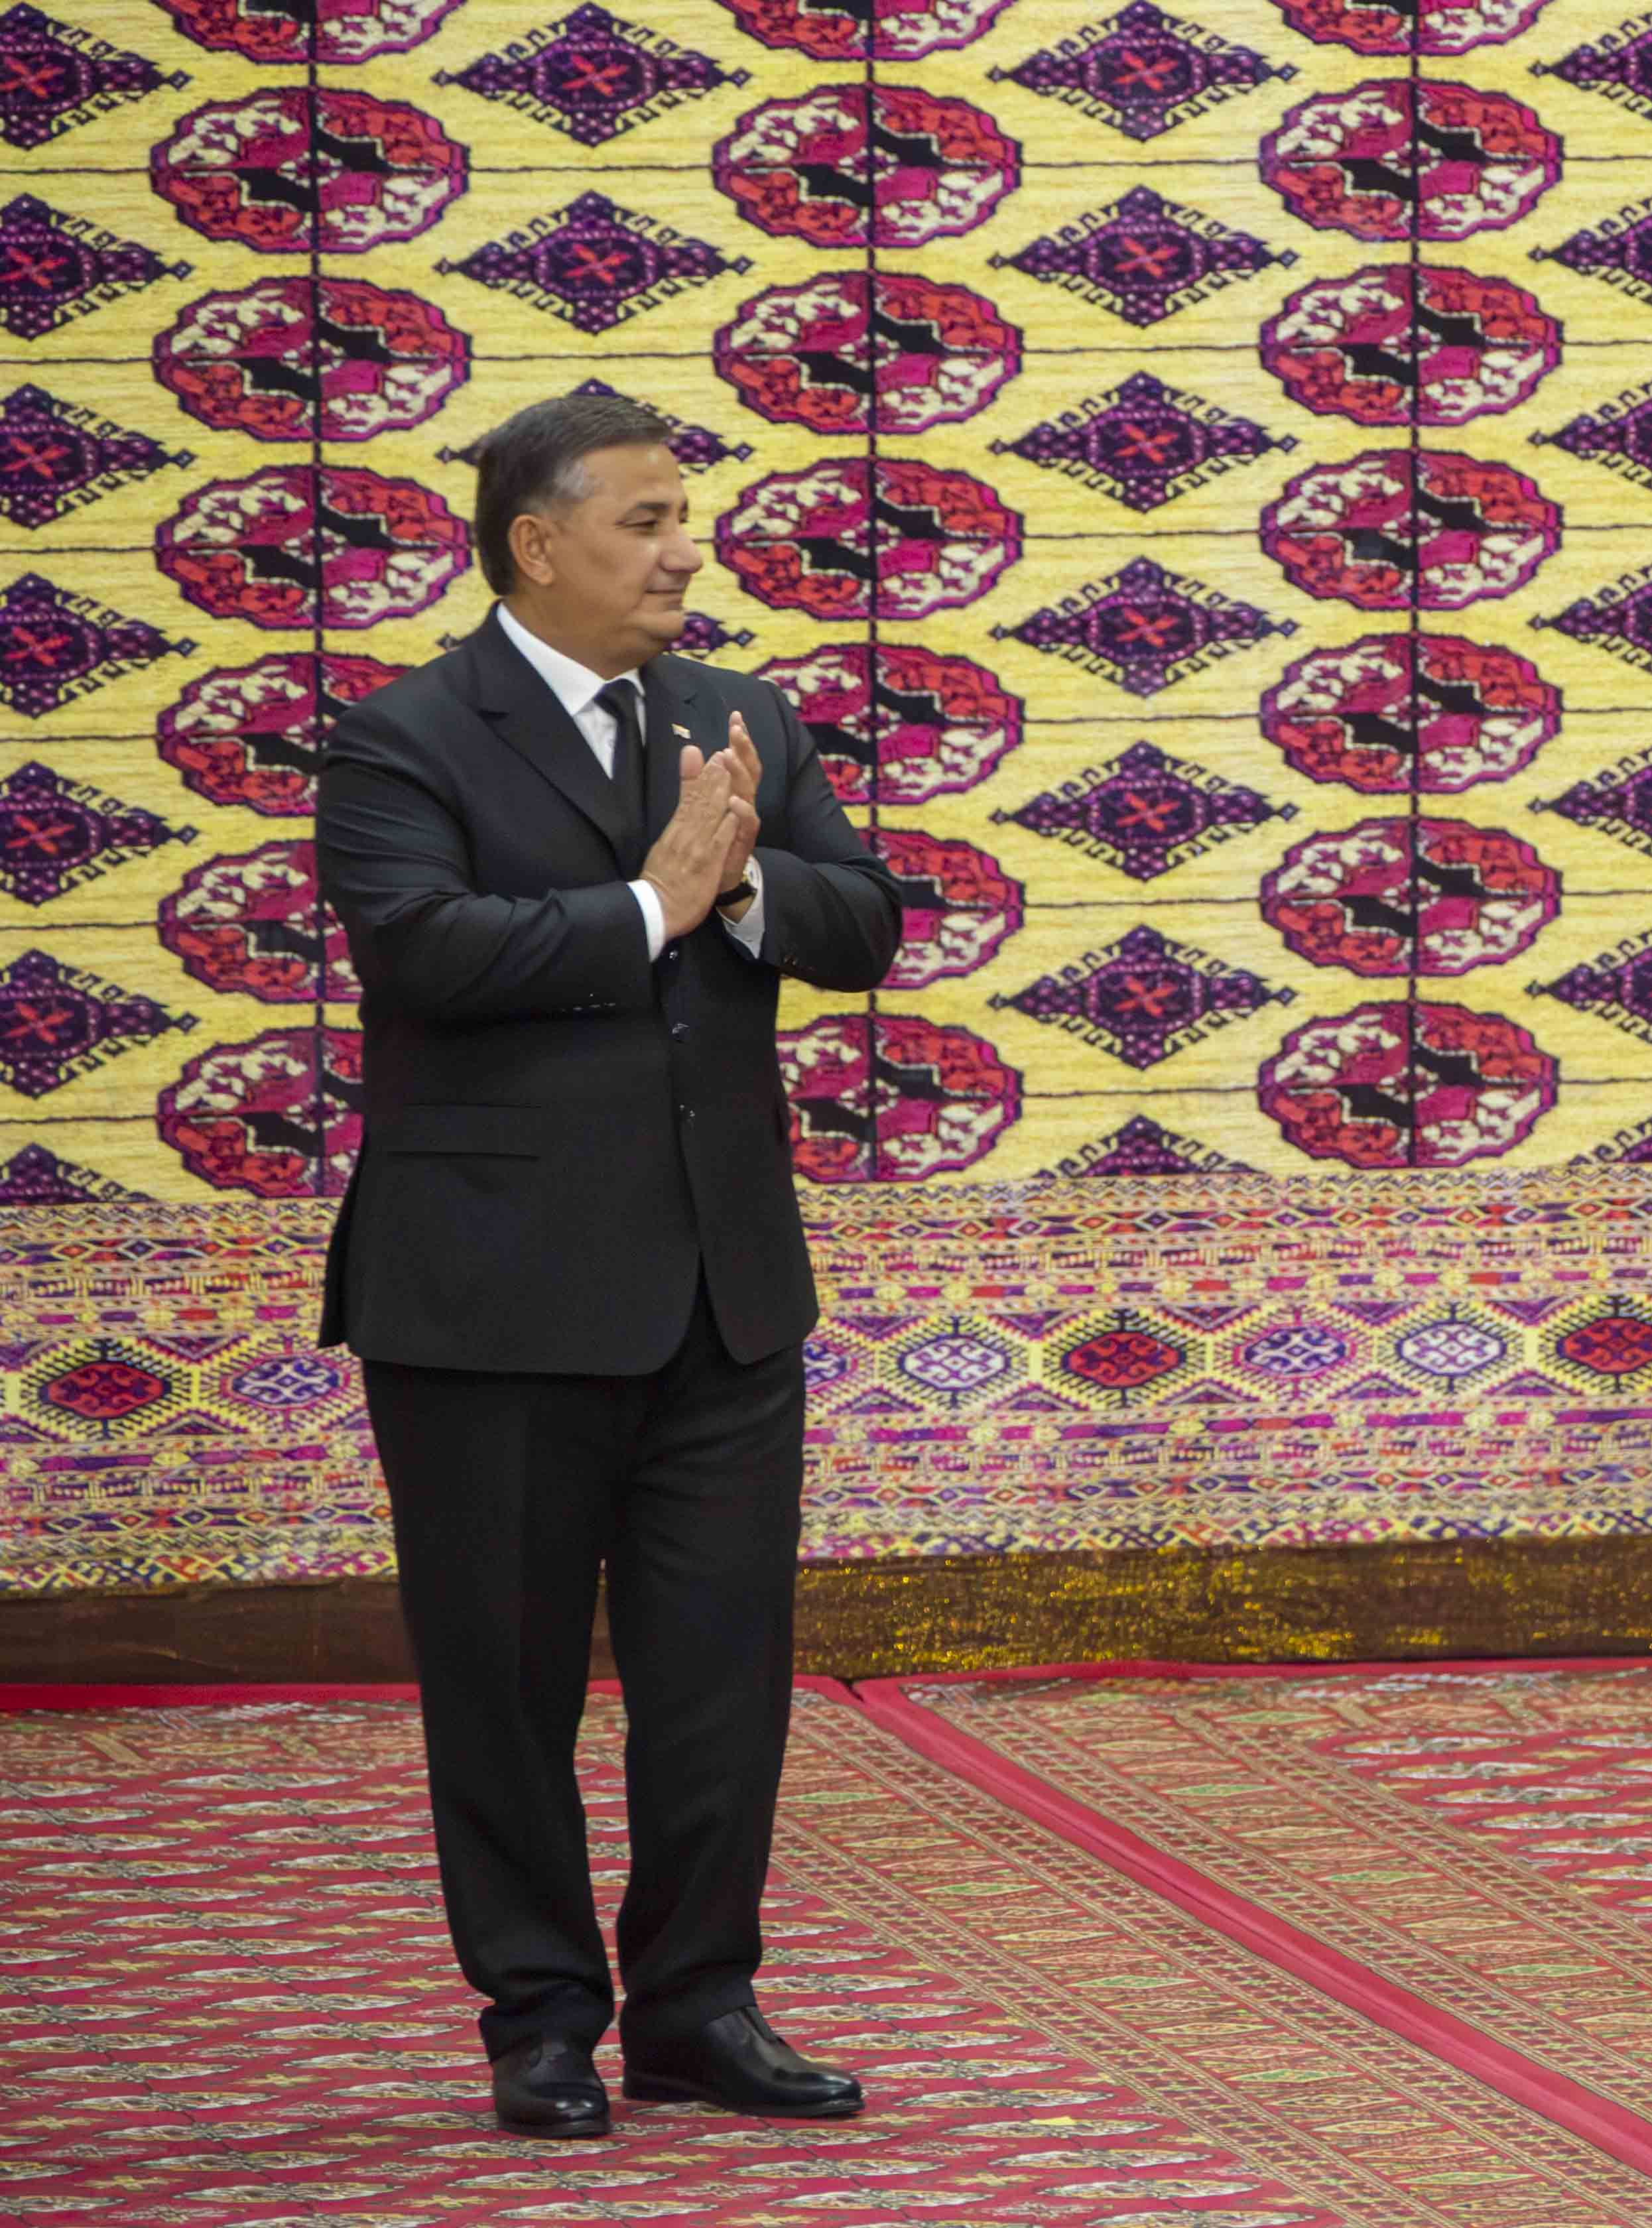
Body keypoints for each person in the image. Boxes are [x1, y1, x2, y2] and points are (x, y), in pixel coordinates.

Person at [317, 394, 902, 2138]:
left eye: (686, 517)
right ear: (537, 544)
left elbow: (865, 921)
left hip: (725, 1291)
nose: (684, 553)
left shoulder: (741, 716)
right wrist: (655, 906)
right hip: (490, 1300)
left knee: (720, 1682)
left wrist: (742, 888)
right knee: (504, 1689)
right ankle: (542, 2017)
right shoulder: (404, 736)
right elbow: (426, 952)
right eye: (645, 521)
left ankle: (702, 2006)